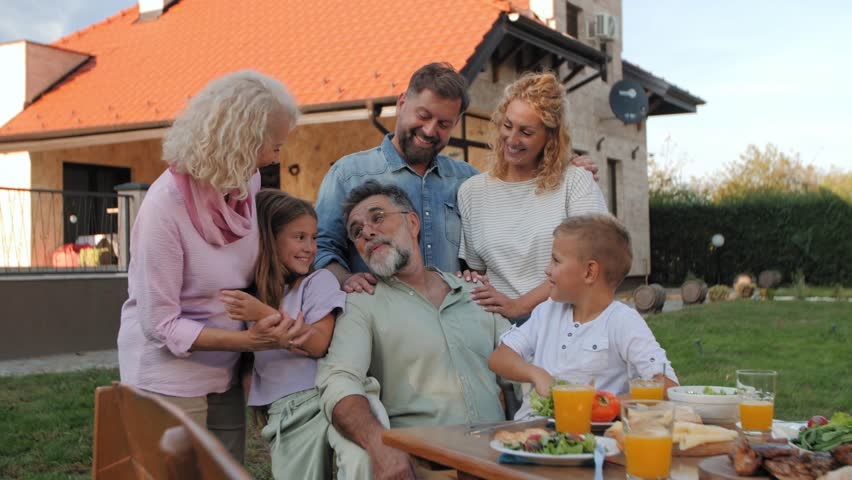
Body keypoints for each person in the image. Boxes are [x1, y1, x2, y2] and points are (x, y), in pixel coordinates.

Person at [117, 70, 302, 462]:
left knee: (225, 469)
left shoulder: (245, 183)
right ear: (241, 141)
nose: (276, 157)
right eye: (274, 145)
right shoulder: (164, 208)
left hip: (225, 369)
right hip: (168, 375)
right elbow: (160, 324)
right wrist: (249, 341)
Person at [314, 63, 598, 296]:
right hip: (380, 324)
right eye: (423, 116)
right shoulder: (348, 175)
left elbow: (485, 252)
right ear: (402, 103)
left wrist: (564, 166)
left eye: (444, 124)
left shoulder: (467, 181)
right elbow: (323, 248)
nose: (429, 130)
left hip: (453, 326)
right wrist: (345, 279)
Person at [316, 181, 511, 480]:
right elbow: (339, 381)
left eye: (377, 217)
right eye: (356, 231)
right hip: (427, 466)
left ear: (413, 222)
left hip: (502, 462)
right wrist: (379, 444)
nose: (366, 232)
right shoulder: (362, 303)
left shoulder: (476, 293)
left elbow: (522, 363)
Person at [488, 215, 679, 420]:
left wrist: (601, 405)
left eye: (556, 260)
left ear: (589, 272)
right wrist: (537, 374)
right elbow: (499, 358)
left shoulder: (623, 322)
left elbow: (668, 387)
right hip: (529, 431)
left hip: (590, 439)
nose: (547, 269)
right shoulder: (548, 311)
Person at [458, 72, 608, 324]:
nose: (512, 140)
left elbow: (587, 265)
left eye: (526, 132)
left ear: (550, 138)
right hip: (498, 331)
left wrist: (519, 306)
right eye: (507, 126)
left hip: (566, 327)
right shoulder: (472, 191)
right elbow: (477, 271)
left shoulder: (575, 182)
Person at [220, 190, 345, 480]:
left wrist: (263, 314)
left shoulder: (317, 282)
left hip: (318, 403)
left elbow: (317, 343)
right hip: (281, 416)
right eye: (299, 237)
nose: (310, 248)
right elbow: (249, 361)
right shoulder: (251, 295)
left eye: (314, 238)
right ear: (269, 239)